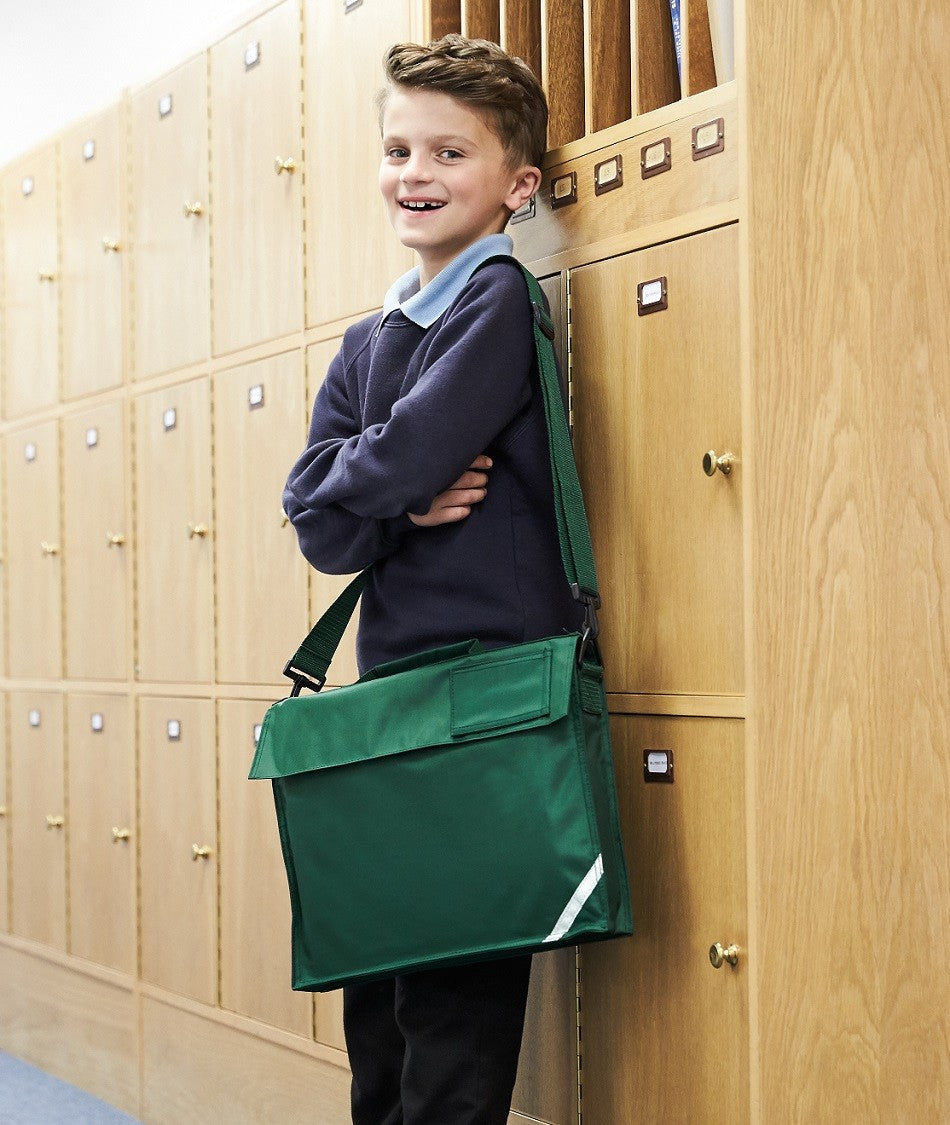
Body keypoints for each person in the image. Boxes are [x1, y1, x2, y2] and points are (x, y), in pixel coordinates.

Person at [283, 34, 583, 1125]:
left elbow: (394, 460)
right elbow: (313, 519)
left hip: (487, 697)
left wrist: (379, 489)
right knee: (381, 997)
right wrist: (397, 505)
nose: (415, 173)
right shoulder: (371, 336)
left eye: (450, 154)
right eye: (399, 149)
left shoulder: (494, 297)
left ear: (516, 186)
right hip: (398, 695)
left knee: (451, 1009)